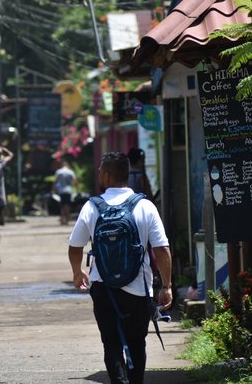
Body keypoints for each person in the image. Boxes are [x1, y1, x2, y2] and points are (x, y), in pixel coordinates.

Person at [68, 152, 172, 384]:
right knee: (137, 343)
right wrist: (166, 285)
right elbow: (162, 249)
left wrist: (77, 272)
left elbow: (75, 246)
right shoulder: (145, 206)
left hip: (103, 287)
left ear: (106, 175)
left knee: (111, 343)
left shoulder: (92, 207)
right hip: (138, 289)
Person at [52, 160, 77, 225]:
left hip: (61, 190)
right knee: (67, 205)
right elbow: (75, 181)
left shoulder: (59, 172)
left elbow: (55, 181)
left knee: (62, 205)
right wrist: (77, 189)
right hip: (69, 190)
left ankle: (63, 219)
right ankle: (67, 219)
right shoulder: (70, 172)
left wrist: (53, 189)